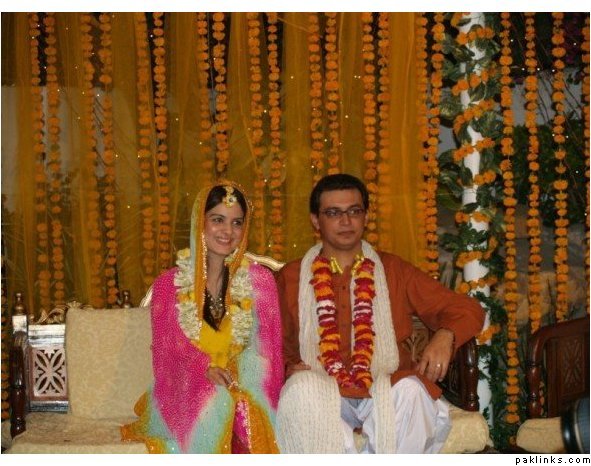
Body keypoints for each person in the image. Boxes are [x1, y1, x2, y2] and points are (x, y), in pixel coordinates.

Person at [275, 173, 485, 454]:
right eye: (333, 213)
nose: (346, 221)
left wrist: (446, 335)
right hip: (323, 389)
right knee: (301, 389)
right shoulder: (291, 277)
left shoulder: (393, 270)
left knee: (412, 392)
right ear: (316, 220)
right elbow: (269, 341)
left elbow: (467, 309)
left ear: (366, 216)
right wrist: (287, 367)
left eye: (354, 211)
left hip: (383, 388)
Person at [121, 181, 283, 453]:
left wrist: (236, 377)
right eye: (218, 220)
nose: (227, 231)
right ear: (200, 222)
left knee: (241, 408)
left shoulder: (260, 282)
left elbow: (269, 353)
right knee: (216, 402)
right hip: (185, 389)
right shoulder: (169, 286)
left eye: (236, 222)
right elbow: (165, 357)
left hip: (245, 386)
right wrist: (203, 370)